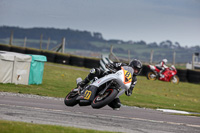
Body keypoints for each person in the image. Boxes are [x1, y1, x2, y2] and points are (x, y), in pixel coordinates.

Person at [78, 59, 142, 110]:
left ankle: (103, 98)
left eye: (137, 70)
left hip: (115, 87)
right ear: (131, 66)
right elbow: (112, 64)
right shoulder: (123, 65)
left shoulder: (134, 79)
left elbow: (130, 91)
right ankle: (82, 83)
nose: (135, 71)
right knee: (96, 71)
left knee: (117, 106)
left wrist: (128, 90)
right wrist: (110, 66)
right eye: (134, 69)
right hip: (106, 77)